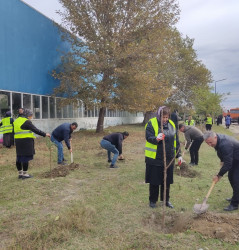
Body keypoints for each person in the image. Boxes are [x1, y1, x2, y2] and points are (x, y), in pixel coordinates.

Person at [145, 106, 182, 209]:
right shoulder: (151, 123)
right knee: (155, 181)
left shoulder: (172, 124)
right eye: (163, 117)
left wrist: (179, 155)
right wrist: (156, 138)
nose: (165, 120)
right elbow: (148, 137)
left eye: (167, 117)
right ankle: (153, 200)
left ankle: (166, 200)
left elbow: (176, 140)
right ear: (158, 116)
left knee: (167, 181)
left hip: (169, 158)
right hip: (155, 158)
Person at [203, 131, 239, 211]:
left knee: (236, 180)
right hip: (234, 159)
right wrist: (222, 162)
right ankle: (236, 196)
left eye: (210, 142)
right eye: (207, 143)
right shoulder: (217, 140)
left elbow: (228, 164)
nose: (209, 145)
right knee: (231, 177)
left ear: (215, 137)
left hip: (237, 160)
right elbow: (224, 155)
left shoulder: (225, 144)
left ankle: (235, 204)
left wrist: (219, 175)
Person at [13, 109, 50, 179]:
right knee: (25, 158)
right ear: (27, 115)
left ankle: (20, 174)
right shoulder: (26, 121)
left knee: (19, 157)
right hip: (26, 141)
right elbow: (35, 130)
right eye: (30, 115)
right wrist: (45, 134)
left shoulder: (16, 121)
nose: (31, 117)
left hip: (18, 141)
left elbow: (13, 132)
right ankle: (25, 174)